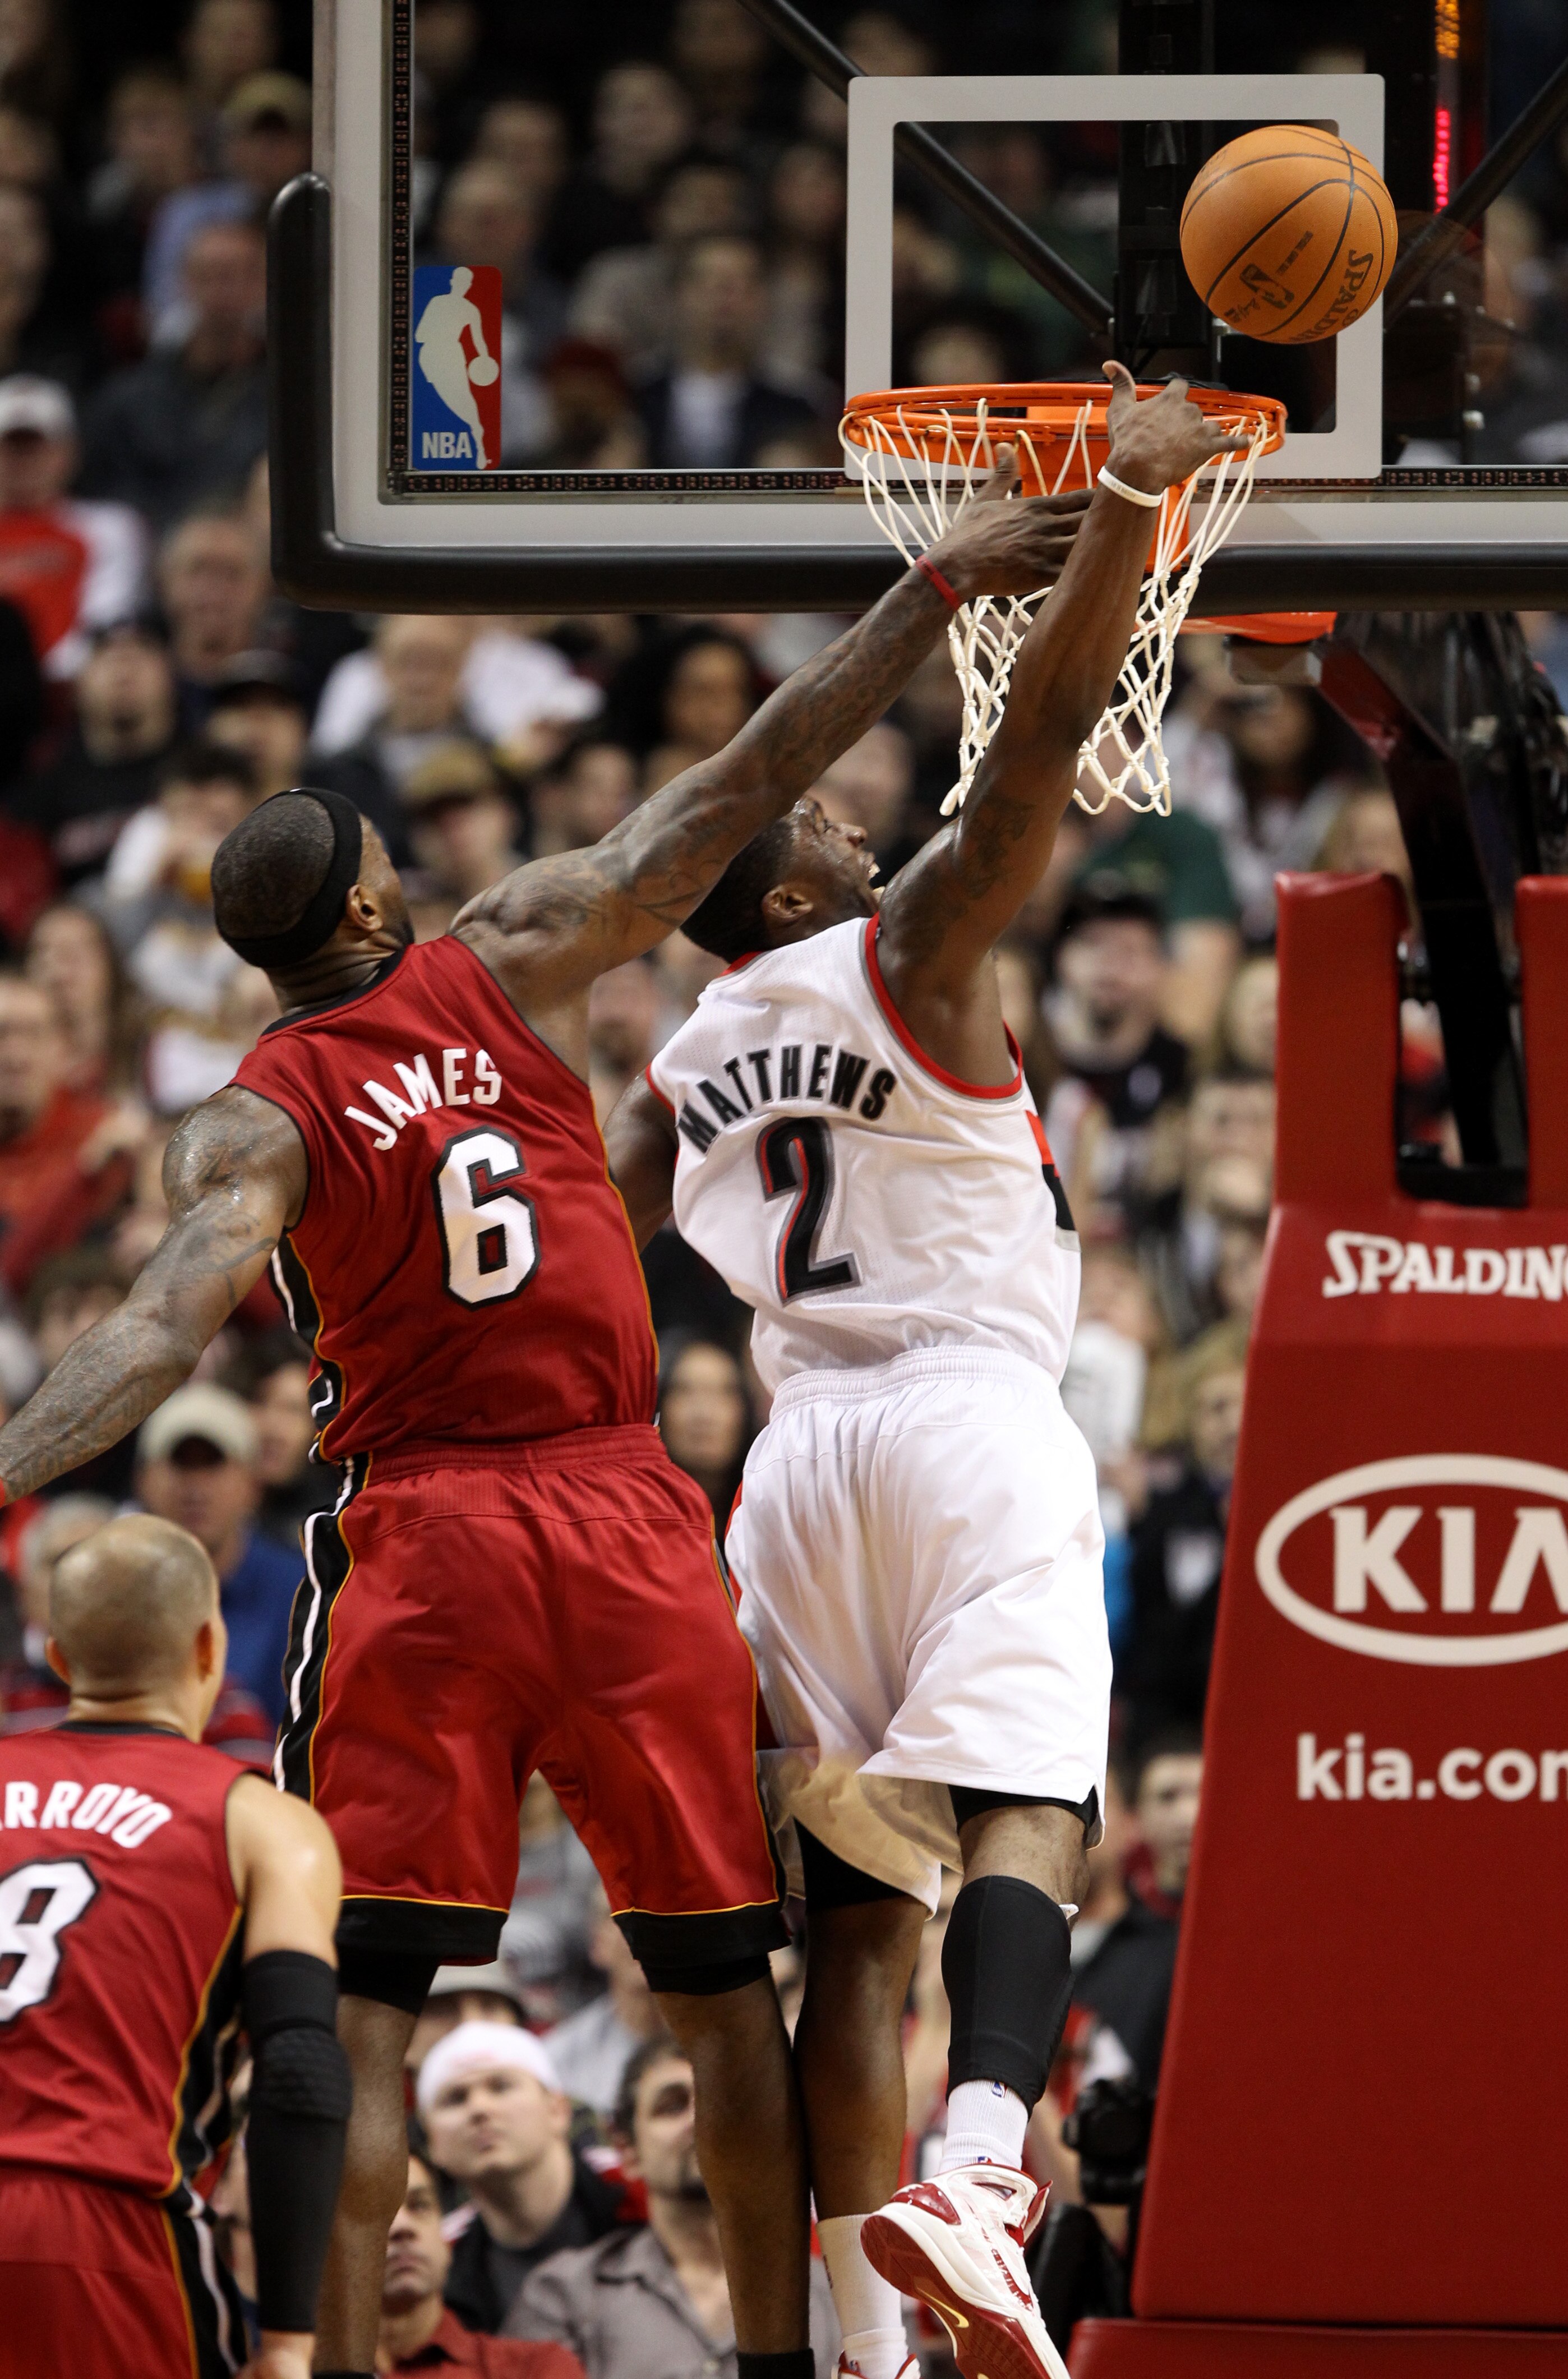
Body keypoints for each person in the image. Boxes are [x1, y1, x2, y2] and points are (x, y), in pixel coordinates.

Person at [0, 470, 1083, 2379]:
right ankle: (788, 2360)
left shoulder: (251, 1115)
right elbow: (751, 769)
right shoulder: (514, 946)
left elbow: (159, 1334)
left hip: (421, 1541)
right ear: (370, 898)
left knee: (361, 2021)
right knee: (720, 2002)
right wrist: (936, 588)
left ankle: (326, 2365)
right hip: (622, 1518)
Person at [605, 367, 1239, 2379]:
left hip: (791, 1472)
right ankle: (978, 2156)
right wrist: (1125, 520)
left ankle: (875, 2346)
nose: (852, 811)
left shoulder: (683, 1063)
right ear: (790, 892)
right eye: (819, 816)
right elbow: (1037, 748)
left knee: (859, 1908)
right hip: (968, 1419)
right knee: (1036, 1789)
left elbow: (598, 1261)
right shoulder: (913, 954)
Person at [0, 1511, 348, 2379]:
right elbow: (300, 2071)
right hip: (108, 2229)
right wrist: (291, 2340)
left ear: (61, 1659)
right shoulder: (264, 1821)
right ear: (208, 1647)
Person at [506, 2039, 838, 2377]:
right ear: (628, 2151)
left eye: (722, 2103)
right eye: (671, 2106)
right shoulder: (562, 2296)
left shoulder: (842, 2299)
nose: (700, 2120)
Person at [0, 1492, 277, 1765]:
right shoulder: (5, 1700)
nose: (87, 1581)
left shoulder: (221, 1707)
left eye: (105, 1565)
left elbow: (254, 1800)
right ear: (24, 1590)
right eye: (62, 1561)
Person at [419, 2024, 626, 2335]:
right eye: (456, 2099)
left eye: (501, 2087)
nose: (479, 2109)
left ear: (558, 2110)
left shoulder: (642, 2190)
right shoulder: (438, 2262)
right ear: (434, 2143)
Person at [135, 1381, 302, 1726]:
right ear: (142, 1479)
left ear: (254, 1485)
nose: (196, 1487)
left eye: (214, 1464)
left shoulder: (299, 1592)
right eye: (180, 1463)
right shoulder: (116, 1589)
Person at [380, 2151, 587, 2378]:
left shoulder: (533, 2369)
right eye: (372, 2213)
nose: (402, 2227)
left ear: (445, 2237)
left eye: (419, 2206)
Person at [0, 374, 146, 680]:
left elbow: (105, 622)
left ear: (68, 452)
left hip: (70, 689)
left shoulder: (110, 528)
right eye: (11, 447)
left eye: (35, 446)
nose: (23, 461)